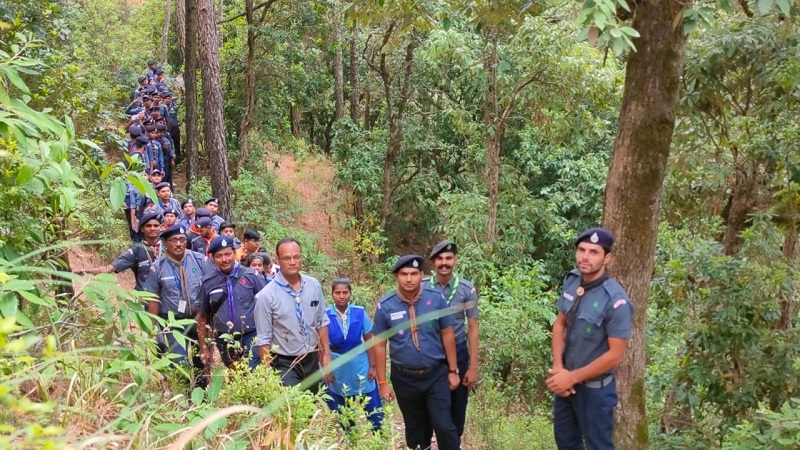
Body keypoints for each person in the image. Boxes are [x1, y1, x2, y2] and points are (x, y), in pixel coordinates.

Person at [547, 227, 633, 450]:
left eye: (594, 252)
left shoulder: (615, 300)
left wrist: (571, 377)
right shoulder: (572, 281)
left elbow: (615, 356)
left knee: (598, 446)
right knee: (565, 442)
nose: (585, 257)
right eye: (581, 250)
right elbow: (560, 324)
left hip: (595, 392)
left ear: (607, 258)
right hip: (565, 386)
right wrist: (558, 369)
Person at [372, 255, 461, 450]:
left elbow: (447, 334)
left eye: (414, 274)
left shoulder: (436, 298)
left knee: (444, 425)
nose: (409, 279)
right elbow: (379, 344)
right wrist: (382, 383)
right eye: (404, 274)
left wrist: (453, 371)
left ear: (422, 275)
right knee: (415, 429)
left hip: (435, 374)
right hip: (405, 378)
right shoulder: (386, 305)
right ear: (397, 276)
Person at [253, 238, 333, 393]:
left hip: (311, 358)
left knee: (311, 405)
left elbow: (322, 321)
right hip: (284, 363)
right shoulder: (266, 296)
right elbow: (263, 339)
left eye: (296, 257)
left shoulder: (313, 285)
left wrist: (326, 356)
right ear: (277, 260)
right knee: (293, 406)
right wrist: (267, 375)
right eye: (287, 258)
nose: (292, 262)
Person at [143, 224, 215, 386]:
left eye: (182, 240)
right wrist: (152, 331)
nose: (178, 244)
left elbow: (213, 288)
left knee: (202, 361)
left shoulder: (199, 260)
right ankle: (182, 397)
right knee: (179, 361)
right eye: (173, 240)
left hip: (199, 320)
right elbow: (154, 299)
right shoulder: (158, 267)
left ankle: (200, 398)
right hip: (174, 323)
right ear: (165, 243)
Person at [422, 241, 479, 439]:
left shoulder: (466, 289)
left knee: (457, 406)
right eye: (440, 259)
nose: (444, 263)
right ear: (433, 262)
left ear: (455, 260)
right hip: (430, 353)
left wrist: (473, 367)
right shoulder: (422, 287)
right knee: (428, 405)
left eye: (448, 258)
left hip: (459, 352)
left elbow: (472, 328)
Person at [196, 236, 268, 370]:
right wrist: (204, 347)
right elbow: (202, 316)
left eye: (228, 254)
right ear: (213, 258)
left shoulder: (251, 276)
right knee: (234, 374)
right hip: (224, 338)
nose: (224, 259)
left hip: (251, 335)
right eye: (219, 256)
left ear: (234, 253)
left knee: (252, 372)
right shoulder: (207, 282)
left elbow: (268, 304)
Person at [325, 278, 383, 431]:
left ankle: (380, 440)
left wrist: (373, 366)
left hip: (360, 364)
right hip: (338, 367)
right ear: (332, 294)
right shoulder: (326, 315)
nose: (342, 296)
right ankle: (351, 442)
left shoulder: (359, 312)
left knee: (374, 411)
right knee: (344, 415)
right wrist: (326, 369)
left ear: (350, 293)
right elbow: (321, 345)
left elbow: (369, 340)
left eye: (345, 292)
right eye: (338, 292)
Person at [72, 209, 163, 292]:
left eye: (156, 225)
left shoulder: (168, 248)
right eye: (148, 226)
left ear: (160, 228)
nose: (152, 228)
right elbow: (109, 268)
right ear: (142, 229)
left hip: (167, 299)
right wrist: (81, 271)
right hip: (145, 299)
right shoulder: (136, 251)